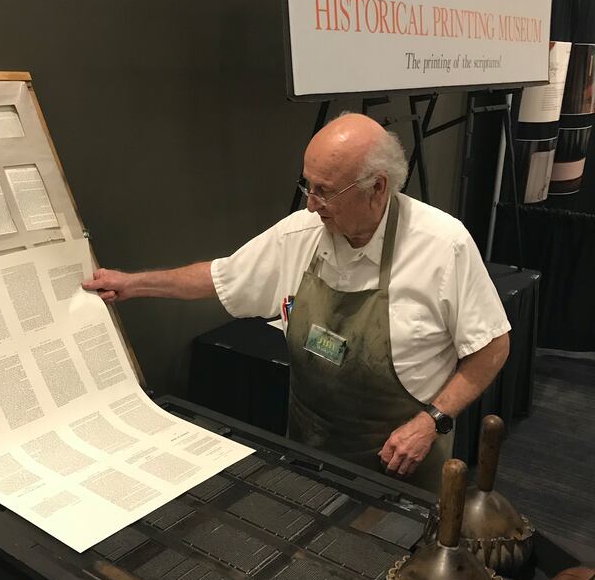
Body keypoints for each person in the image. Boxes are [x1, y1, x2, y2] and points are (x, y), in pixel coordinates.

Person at [82, 113, 510, 492]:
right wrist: (134, 284)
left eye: (324, 191)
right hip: (311, 450)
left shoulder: (442, 245)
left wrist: (431, 421)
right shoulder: (300, 234)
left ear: (377, 188)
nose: (310, 204)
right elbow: (219, 277)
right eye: (307, 185)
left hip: (404, 463)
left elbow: (492, 345)